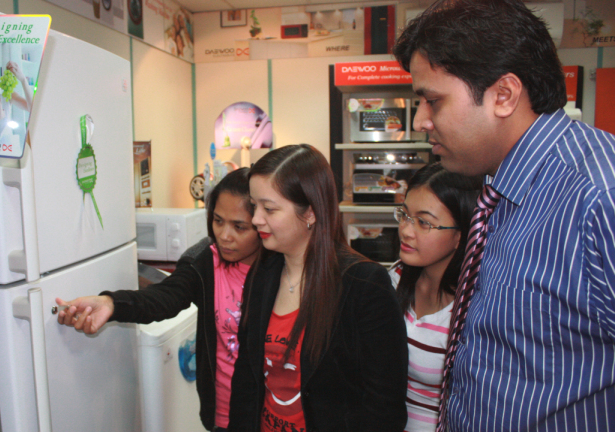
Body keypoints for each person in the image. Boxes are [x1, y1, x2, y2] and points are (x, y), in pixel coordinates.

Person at [393, 0, 615, 430]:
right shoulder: (501, 191)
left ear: (504, 95)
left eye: (432, 101)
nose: (421, 120)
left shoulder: (598, 196)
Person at [57, 167, 261, 432]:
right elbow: (165, 296)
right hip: (223, 417)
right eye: (218, 220)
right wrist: (111, 303)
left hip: (270, 417)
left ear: (262, 224)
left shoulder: (280, 268)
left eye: (239, 226)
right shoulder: (205, 262)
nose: (224, 235)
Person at [229, 144, 408, 432]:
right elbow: (247, 378)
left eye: (269, 209)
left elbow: (384, 408)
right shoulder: (264, 273)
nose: (255, 219)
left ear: (310, 212)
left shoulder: (363, 285)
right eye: (254, 205)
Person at [388, 163, 481, 431]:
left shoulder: (473, 306)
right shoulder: (394, 278)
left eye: (424, 222)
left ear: (461, 236)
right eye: (404, 215)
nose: (406, 230)